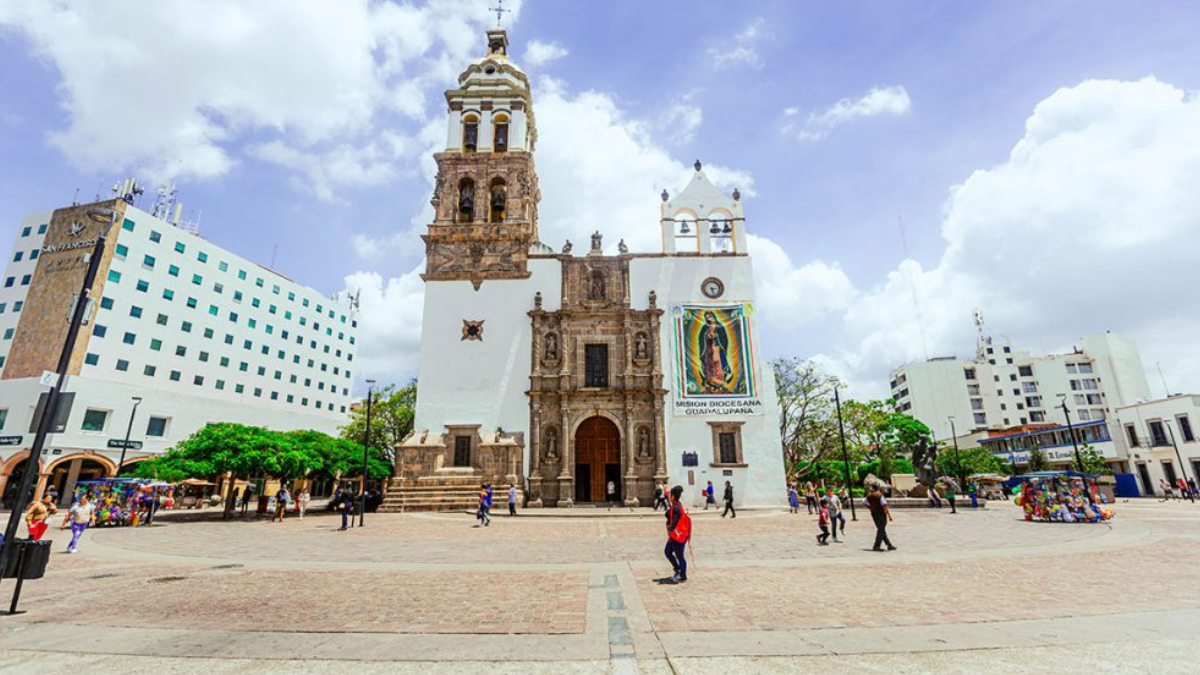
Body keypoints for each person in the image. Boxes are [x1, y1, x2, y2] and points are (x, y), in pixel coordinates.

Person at [662, 485, 690, 584]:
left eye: (670, 495)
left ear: (673, 496)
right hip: (674, 536)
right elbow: (668, 514)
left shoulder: (677, 507)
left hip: (678, 536)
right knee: (667, 551)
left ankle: (683, 575)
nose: (669, 496)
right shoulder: (675, 505)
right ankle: (677, 569)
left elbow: (675, 520)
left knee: (680, 556)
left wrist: (670, 528)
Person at [863, 484, 896, 552]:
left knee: (881, 529)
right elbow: (884, 505)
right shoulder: (880, 495)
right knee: (881, 529)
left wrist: (870, 508)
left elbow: (864, 502)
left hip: (874, 514)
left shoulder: (869, 495)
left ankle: (889, 545)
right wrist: (889, 515)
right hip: (881, 514)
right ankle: (876, 546)